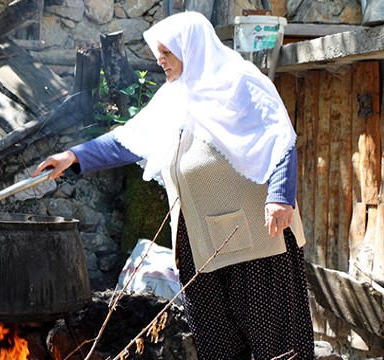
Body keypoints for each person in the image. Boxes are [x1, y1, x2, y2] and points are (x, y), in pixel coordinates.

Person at [32, 11, 314, 360]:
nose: (159, 59)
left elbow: (279, 136)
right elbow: (129, 139)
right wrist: (73, 157)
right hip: (200, 248)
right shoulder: (174, 97)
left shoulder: (240, 81)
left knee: (276, 346)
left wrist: (280, 196)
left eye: (167, 51)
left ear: (191, 47)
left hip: (259, 242)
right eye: (158, 52)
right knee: (218, 348)